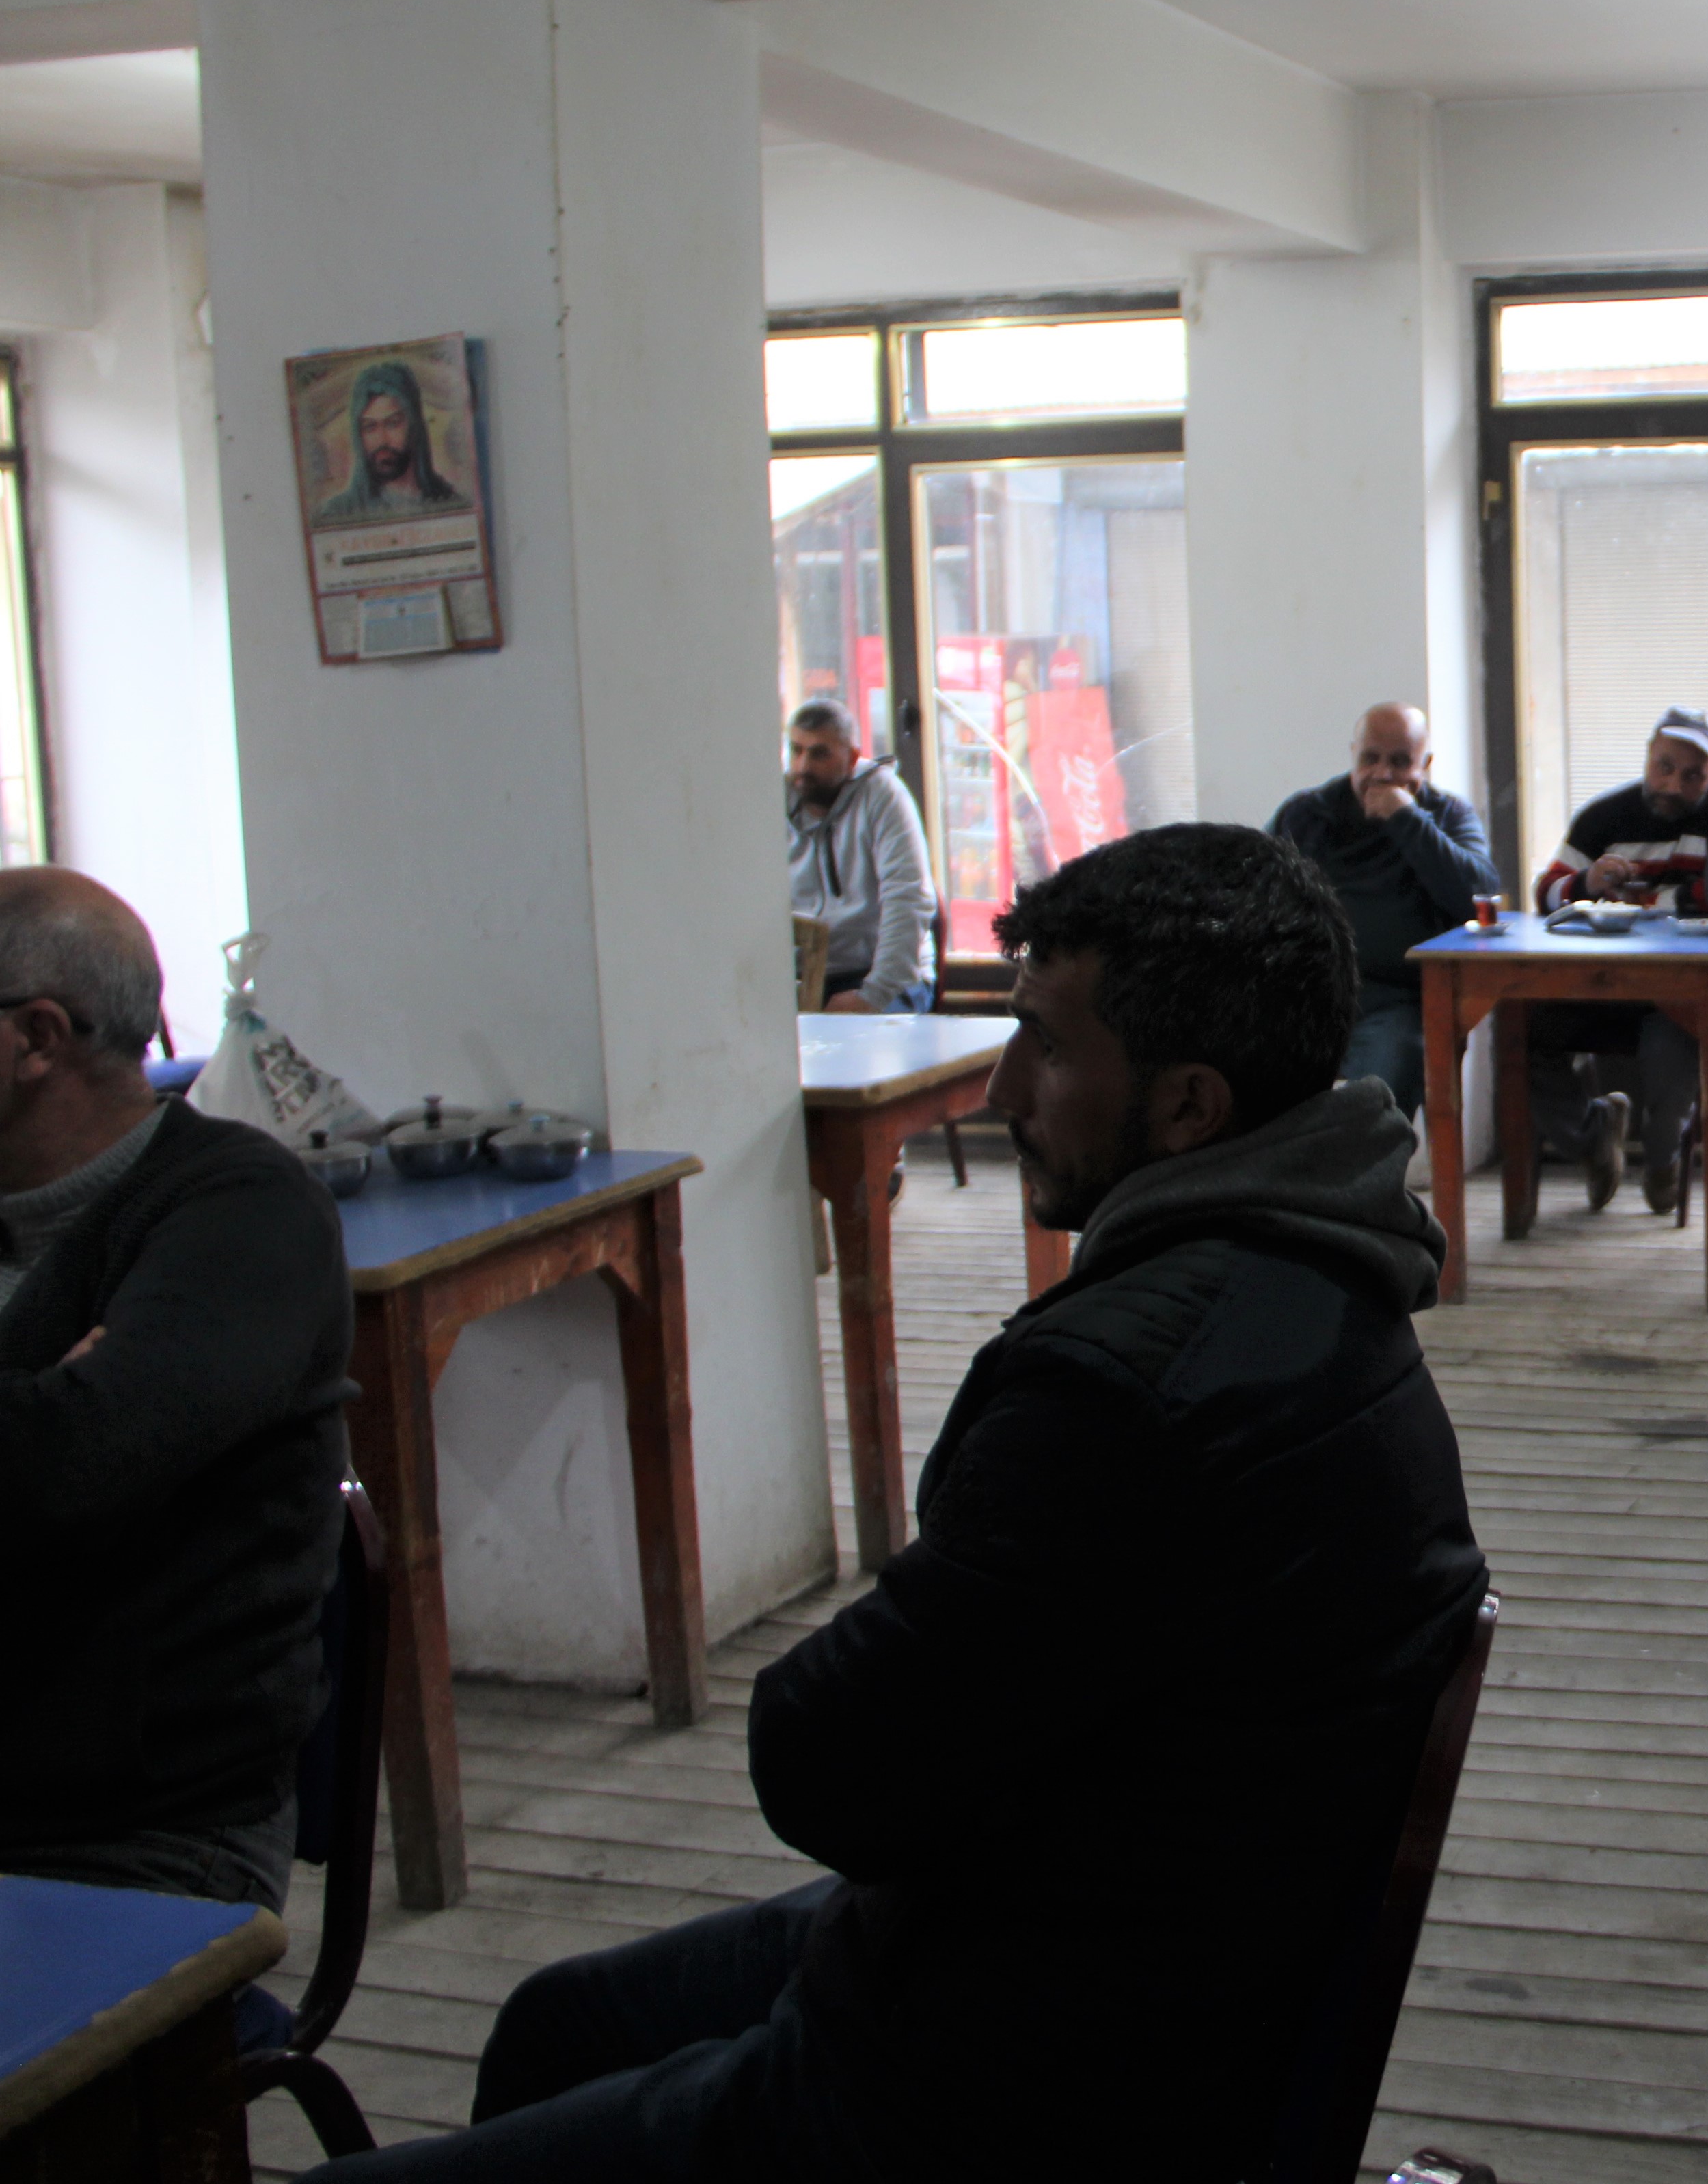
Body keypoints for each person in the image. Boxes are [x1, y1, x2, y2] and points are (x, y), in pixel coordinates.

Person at [306, 827, 1490, 2183]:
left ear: (1189, 1107)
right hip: (1145, 1952)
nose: (1000, 1088)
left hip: (1003, 2078)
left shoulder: (1123, 1395)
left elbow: (827, 1769)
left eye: (1045, 1045)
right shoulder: (1337, 1285)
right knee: (558, 2024)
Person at [0, 870, 349, 1915]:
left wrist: (52, 1425)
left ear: (36, 1038)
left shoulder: (243, 1212)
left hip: (136, 1834)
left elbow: (63, 1468)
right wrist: (38, 1398)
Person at [1527, 709, 1708, 1212]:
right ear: (1648, 755)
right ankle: (1591, 1135)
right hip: (1600, 984)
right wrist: (1587, 882)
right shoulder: (1605, 816)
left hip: (1681, 989)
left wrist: (1646, 903)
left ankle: (1663, 1160)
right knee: (1526, 1031)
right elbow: (1546, 893)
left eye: (1692, 775)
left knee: (1674, 1046)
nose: (1673, 785)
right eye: (1664, 766)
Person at [1271, 701, 1499, 1116]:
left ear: (1425, 765)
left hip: (1400, 1001)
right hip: (1311, 996)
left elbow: (1479, 895)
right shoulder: (1309, 813)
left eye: (1399, 762)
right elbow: (1258, 891)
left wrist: (1406, 818)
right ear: (1353, 755)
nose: (1382, 774)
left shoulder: (1448, 815)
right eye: (1370, 759)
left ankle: (1368, 1160)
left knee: (1383, 1085)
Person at [786, 700, 939, 1015]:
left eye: (819, 754)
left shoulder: (884, 796)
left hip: (887, 976)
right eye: (796, 750)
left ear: (852, 758)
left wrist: (874, 995)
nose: (803, 767)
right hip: (807, 977)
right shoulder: (775, 797)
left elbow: (907, 899)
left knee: (852, 1039)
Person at [314, 359, 467, 522]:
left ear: (414, 425)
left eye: (393, 424)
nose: (382, 440)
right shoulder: (338, 513)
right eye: (370, 427)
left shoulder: (451, 503)